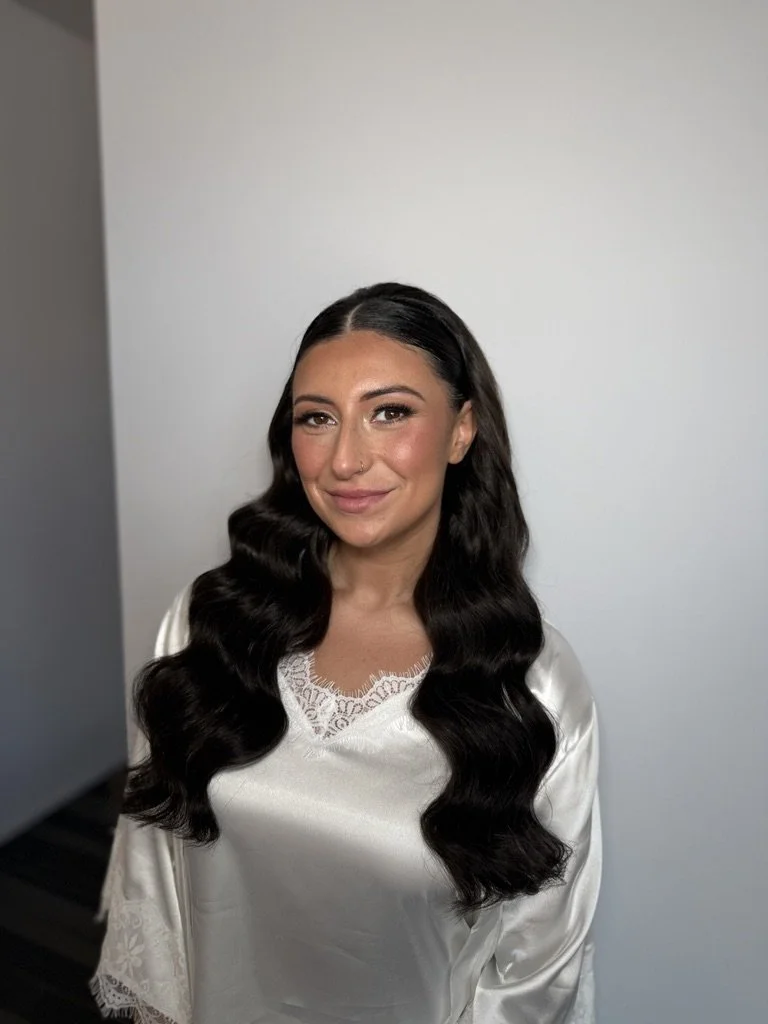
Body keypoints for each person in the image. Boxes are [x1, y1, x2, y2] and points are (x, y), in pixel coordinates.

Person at [91, 282, 601, 1024]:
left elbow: (539, 967)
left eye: (389, 412)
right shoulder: (212, 624)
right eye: (317, 418)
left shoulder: (531, 683)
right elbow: (155, 876)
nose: (345, 460)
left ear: (462, 431)